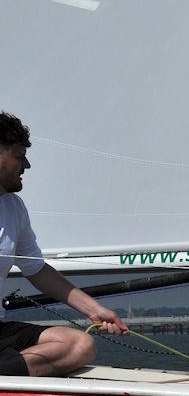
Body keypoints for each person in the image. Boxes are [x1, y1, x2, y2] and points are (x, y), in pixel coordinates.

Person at [0, 111, 128, 377]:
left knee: (78, 345)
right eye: (19, 155)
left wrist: (95, 310)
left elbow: (36, 269)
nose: (27, 165)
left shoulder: (14, 208)